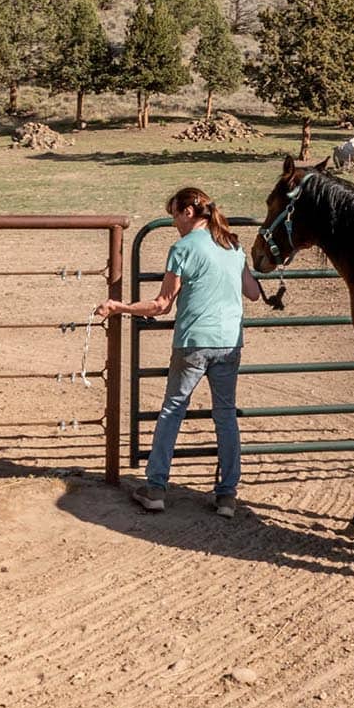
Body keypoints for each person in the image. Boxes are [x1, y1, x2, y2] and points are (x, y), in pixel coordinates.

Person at [97, 186, 264, 516]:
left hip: (193, 342)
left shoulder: (183, 248)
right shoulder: (233, 243)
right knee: (226, 415)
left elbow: (161, 305)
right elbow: (254, 293)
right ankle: (227, 495)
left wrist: (121, 307)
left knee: (173, 409)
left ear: (189, 212)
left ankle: (156, 488)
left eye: (174, 214)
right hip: (230, 342)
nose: (173, 221)